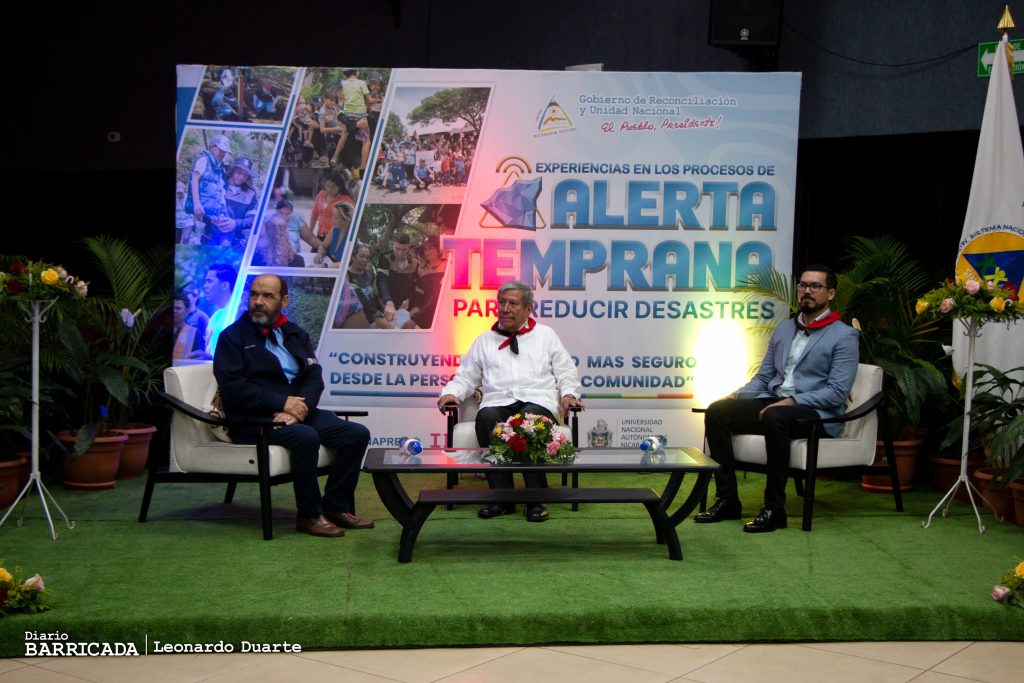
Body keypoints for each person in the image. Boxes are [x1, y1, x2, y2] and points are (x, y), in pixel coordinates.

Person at [696, 264, 859, 533]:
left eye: (815, 286)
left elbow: (837, 391)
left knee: (775, 416)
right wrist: (736, 394)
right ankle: (727, 500)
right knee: (718, 411)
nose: (807, 291)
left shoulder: (844, 335)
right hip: (775, 402)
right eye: (803, 285)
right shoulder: (784, 328)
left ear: (830, 293)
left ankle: (774, 509)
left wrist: (793, 401)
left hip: (815, 412)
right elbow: (764, 377)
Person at [214, 274, 373, 537]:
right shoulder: (232, 338)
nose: (258, 301)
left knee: (356, 434)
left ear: (284, 301)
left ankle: (335, 507)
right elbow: (233, 388)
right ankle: (309, 515)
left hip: (297, 413)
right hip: (254, 420)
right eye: (254, 295)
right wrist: (282, 402)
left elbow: (314, 376)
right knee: (305, 437)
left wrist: (300, 409)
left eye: (267, 296)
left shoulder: (295, 333)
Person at [437, 280, 585, 522]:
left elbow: (566, 372)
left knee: (530, 420)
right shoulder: (484, 340)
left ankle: (535, 499)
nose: (505, 309)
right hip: (498, 402)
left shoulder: (546, 336)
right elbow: (465, 376)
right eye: (502, 303)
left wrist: (569, 394)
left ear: (528, 308)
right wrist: (451, 393)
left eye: (513, 304)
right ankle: (502, 498)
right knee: (486, 417)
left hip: (538, 400)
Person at [184, 134, 231, 228]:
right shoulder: (204, 160)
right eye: (221, 150)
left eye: (225, 152)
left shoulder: (219, 167)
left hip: (208, 213)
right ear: (212, 147)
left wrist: (221, 210)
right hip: (198, 210)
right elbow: (194, 179)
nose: (223, 154)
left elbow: (219, 190)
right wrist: (196, 203)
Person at [375, 233, 418, 327]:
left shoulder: (414, 263)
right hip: (386, 305)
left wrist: (409, 299)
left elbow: (415, 286)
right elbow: (382, 281)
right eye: (397, 249)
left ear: (409, 247)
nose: (400, 253)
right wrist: (388, 302)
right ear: (392, 244)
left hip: (404, 309)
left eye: (404, 250)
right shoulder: (385, 258)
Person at [203, 263, 238, 358]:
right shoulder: (215, 316)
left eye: (209, 281)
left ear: (225, 285)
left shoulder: (238, 314)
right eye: (205, 282)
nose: (205, 286)